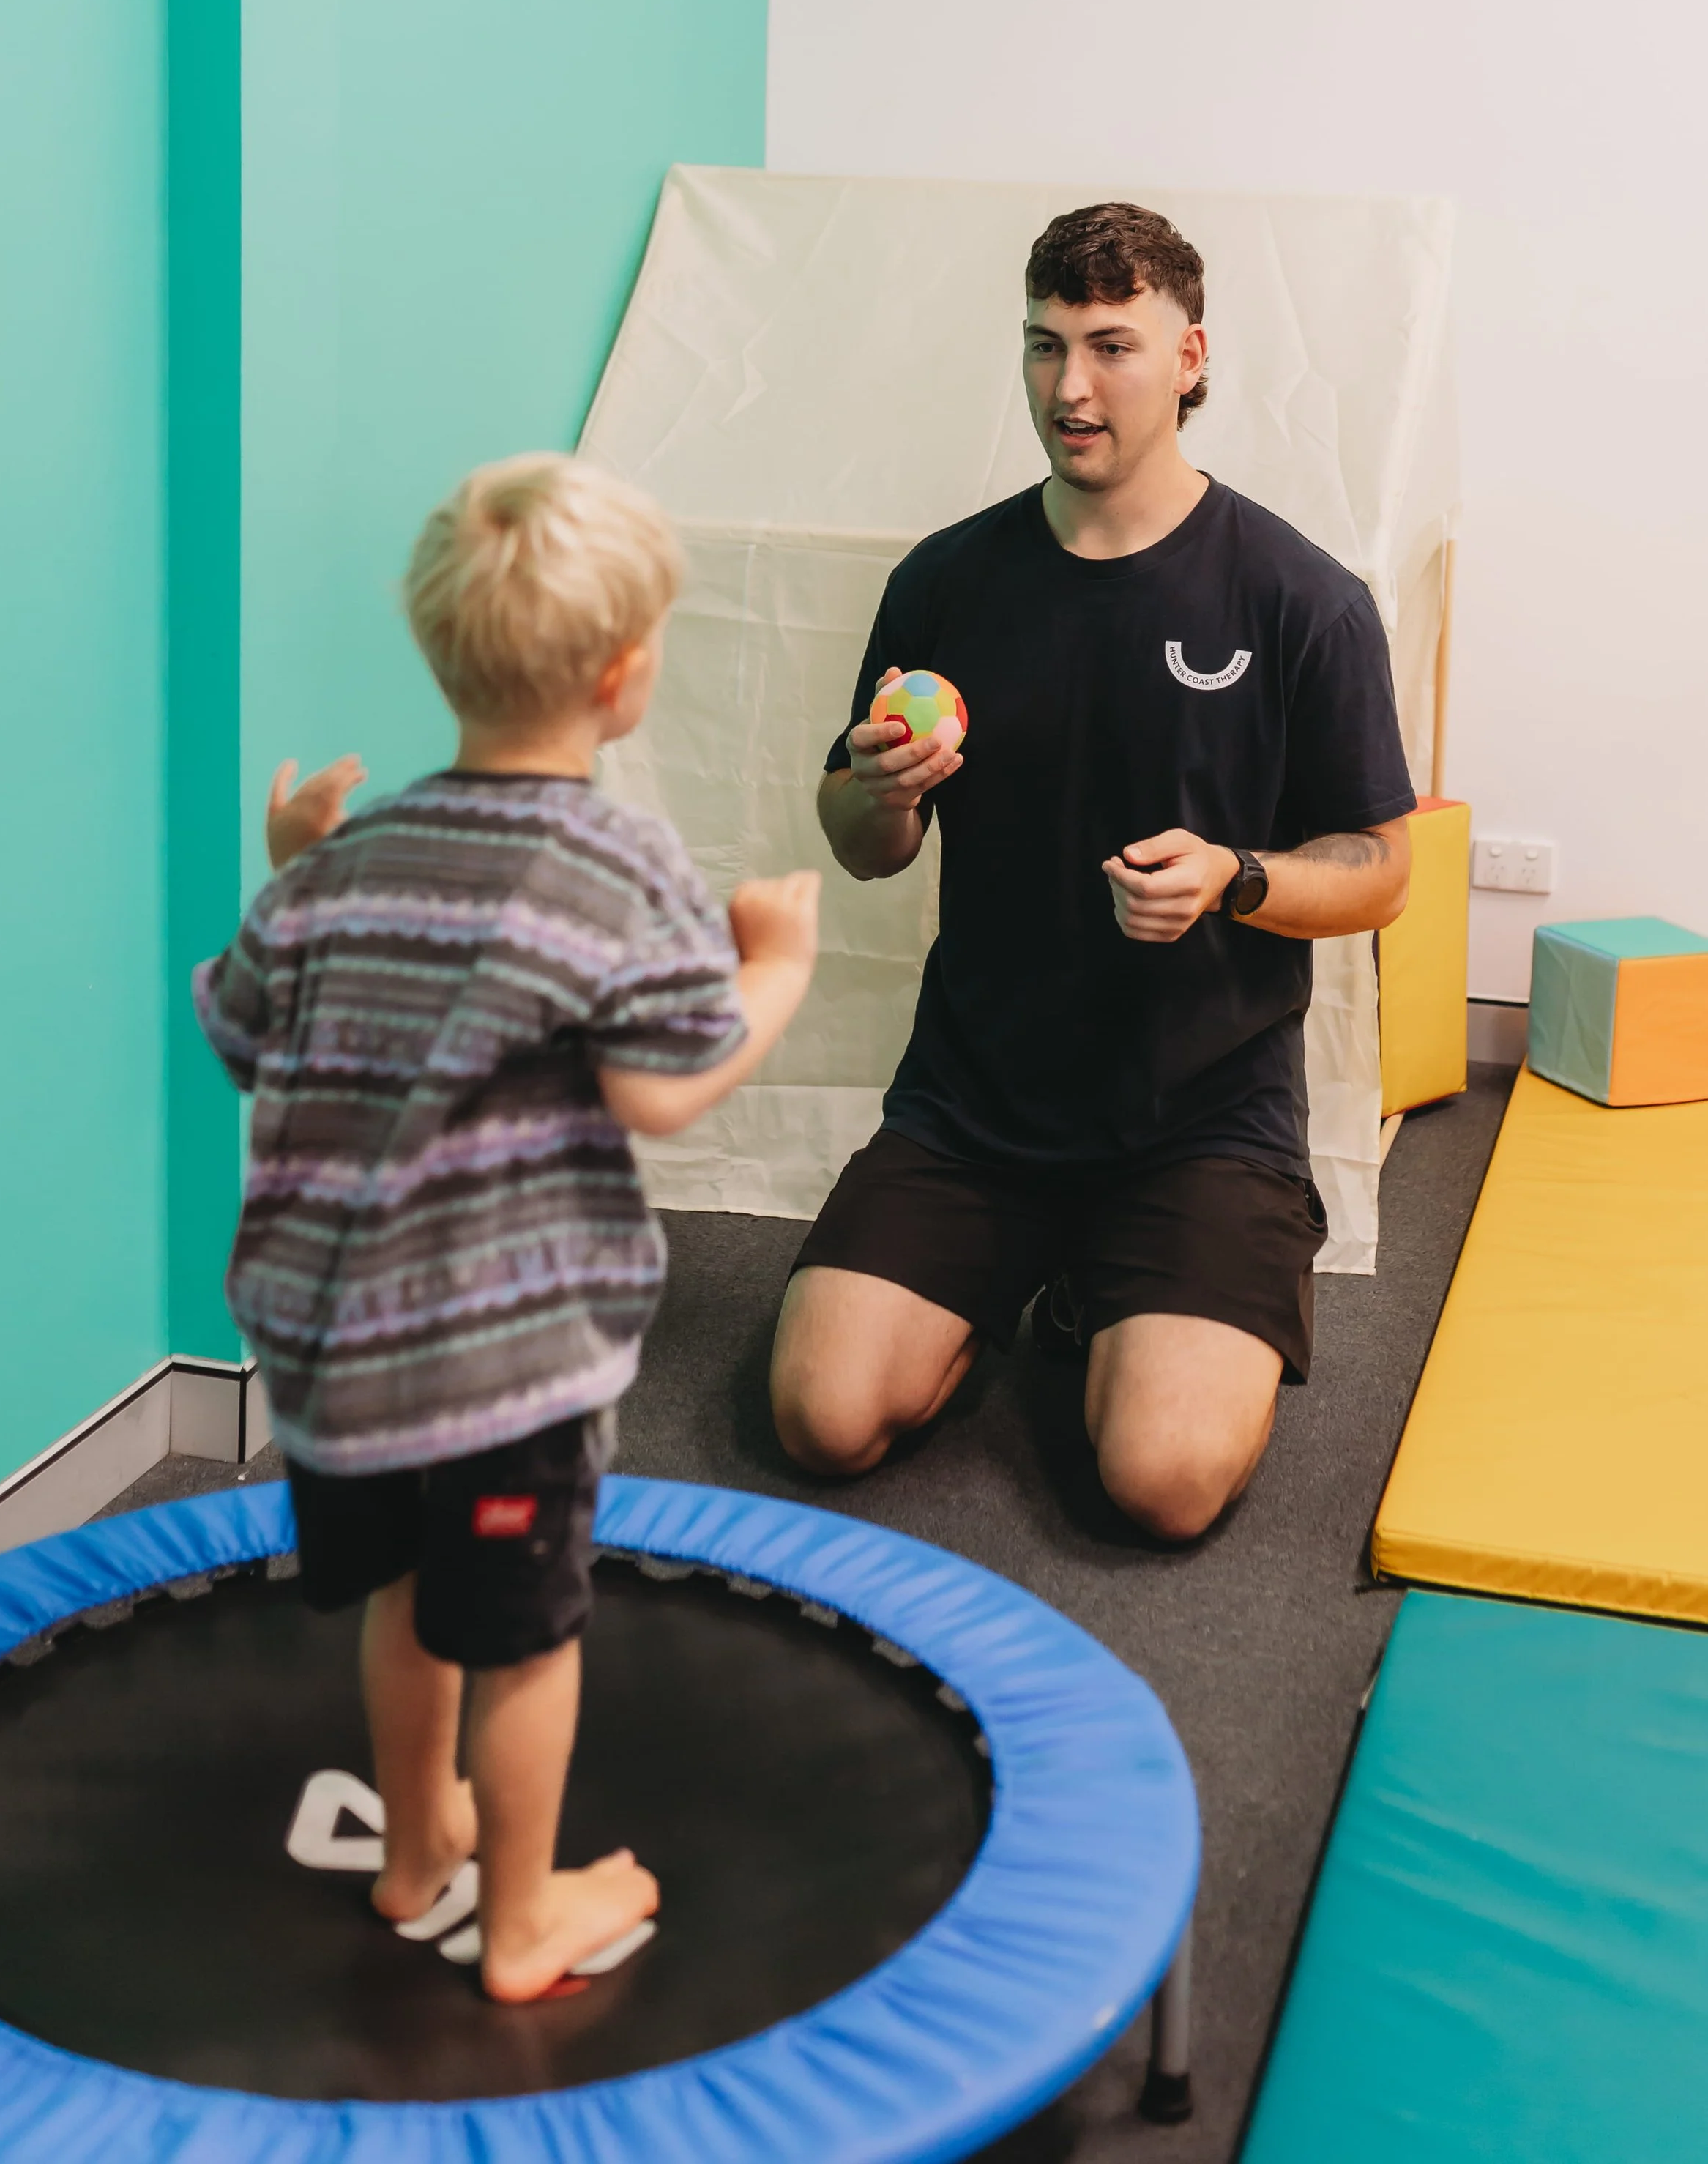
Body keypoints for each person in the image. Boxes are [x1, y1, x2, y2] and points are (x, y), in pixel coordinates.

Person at [195, 453, 818, 2001]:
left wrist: (297, 873)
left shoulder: (345, 862)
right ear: (623, 677)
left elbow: (243, 1028)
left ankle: (419, 1855)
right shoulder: (619, 866)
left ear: (438, 652)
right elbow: (660, 1091)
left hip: (333, 1362)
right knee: (529, 1639)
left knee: (405, 1605)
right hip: (498, 1370)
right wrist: (776, 973)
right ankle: (522, 1919)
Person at [769, 203, 1415, 1542]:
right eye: (1044, 346)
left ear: (1189, 356)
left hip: (1201, 1124)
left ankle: (1108, 1296)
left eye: (1111, 346)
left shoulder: (1301, 599)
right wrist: (874, 791)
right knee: (821, 1420)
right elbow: (864, 845)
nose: (1071, 386)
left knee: (1161, 1484)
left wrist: (1237, 878)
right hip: (974, 1107)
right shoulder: (947, 580)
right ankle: (1030, 1277)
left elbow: (1381, 870)